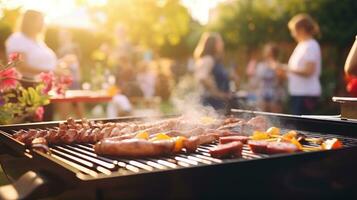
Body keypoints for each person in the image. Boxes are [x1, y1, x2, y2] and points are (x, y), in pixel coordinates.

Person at [5, 10, 65, 78]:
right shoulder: (18, 39)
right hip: (28, 84)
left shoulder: (39, 42)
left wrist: (62, 62)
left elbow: (46, 63)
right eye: (40, 20)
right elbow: (21, 67)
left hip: (43, 84)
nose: (43, 23)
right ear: (30, 22)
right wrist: (50, 72)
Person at [286, 14, 321, 115]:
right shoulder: (301, 45)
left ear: (301, 29)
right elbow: (296, 71)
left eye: (293, 30)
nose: (293, 34)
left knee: (303, 128)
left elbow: (309, 71)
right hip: (297, 93)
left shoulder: (311, 45)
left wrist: (286, 69)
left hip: (306, 95)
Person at [193, 32, 231, 112]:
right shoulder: (208, 59)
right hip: (210, 104)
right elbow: (202, 77)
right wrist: (217, 92)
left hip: (217, 103)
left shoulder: (214, 59)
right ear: (213, 44)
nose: (222, 44)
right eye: (220, 42)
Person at [255, 44, 286, 113]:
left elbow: (282, 81)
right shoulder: (261, 65)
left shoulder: (279, 66)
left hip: (275, 94)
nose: (269, 55)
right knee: (263, 115)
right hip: (263, 93)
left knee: (276, 117)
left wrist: (276, 68)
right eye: (267, 53)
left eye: (271, 53)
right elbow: (257, 80)